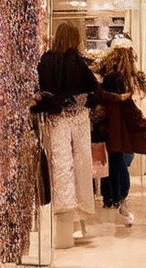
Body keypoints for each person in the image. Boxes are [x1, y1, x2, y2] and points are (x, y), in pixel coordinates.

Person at [36, 23, 100, 239]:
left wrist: (54, 103)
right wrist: (82, 101)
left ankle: (65, 218)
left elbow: (43, 92)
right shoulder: (78, 62)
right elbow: (94, 91)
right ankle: (78, 220)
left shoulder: (46, 60)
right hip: (78, 118)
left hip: (56, 119)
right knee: (81, 164)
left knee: (61, 165)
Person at [96, 39, 146, 226]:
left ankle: (111, 196)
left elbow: (101, 96)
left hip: (111, 122)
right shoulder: (127, 78)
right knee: (118, 160)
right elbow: (128, 102)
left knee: (112, 159)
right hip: (119, 123)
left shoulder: (111, 76)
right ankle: (119, 196)